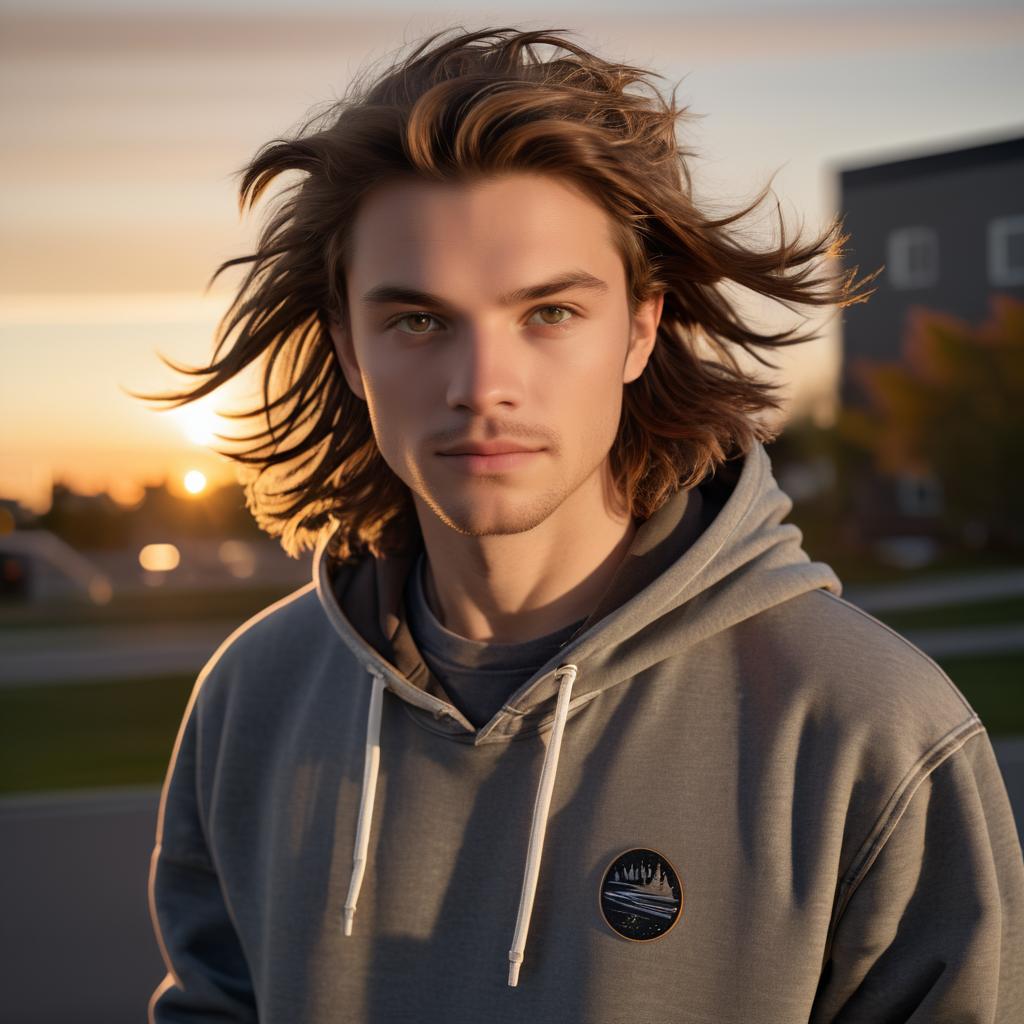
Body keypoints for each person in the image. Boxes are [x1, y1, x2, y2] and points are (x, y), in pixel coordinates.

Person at [146, 26, 1024, 1023]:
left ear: (641, 327)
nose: (482, 388)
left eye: (548, 313)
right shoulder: (252, 699)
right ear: (349, 348)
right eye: (418, 321)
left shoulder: (867, 725)